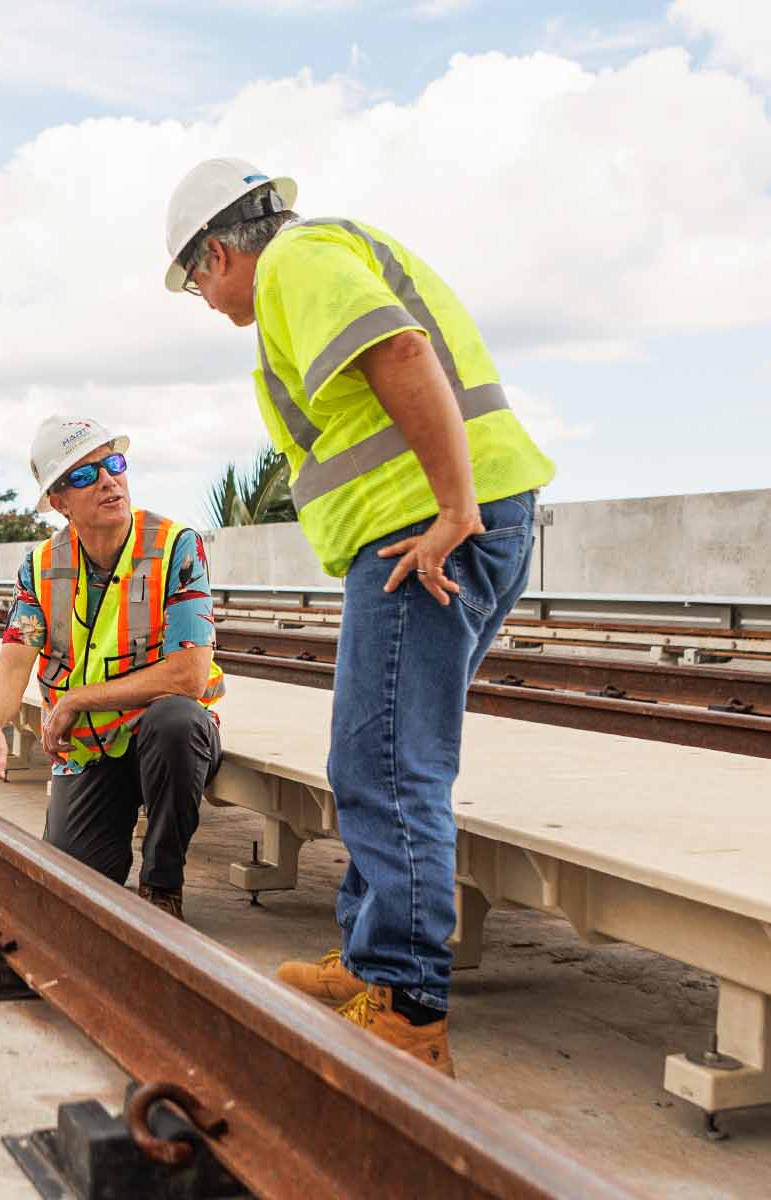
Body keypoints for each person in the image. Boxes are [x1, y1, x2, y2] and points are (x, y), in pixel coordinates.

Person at [163, 157, 556, 1074]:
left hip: (428, 531)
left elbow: (401, 354)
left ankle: (410, 1010)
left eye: (196, 283)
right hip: (439, 522)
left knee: (385, 766)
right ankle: (374, 958)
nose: (208, 303)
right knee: (383, 755)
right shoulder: (324, 252)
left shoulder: (298, 262)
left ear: (219, 253)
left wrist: (453, 510)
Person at [0, 415, 226, 921]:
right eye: (84, 475)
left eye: (113, 464)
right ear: (59, 502)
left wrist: (77, 699)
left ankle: (162, 884)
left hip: (165, 741)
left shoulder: (175, 547)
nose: (108, 481)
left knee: (177, 721)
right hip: (91, 753)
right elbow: (15, 659)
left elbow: (189, 674)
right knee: (66, 899)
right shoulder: (40, 568)